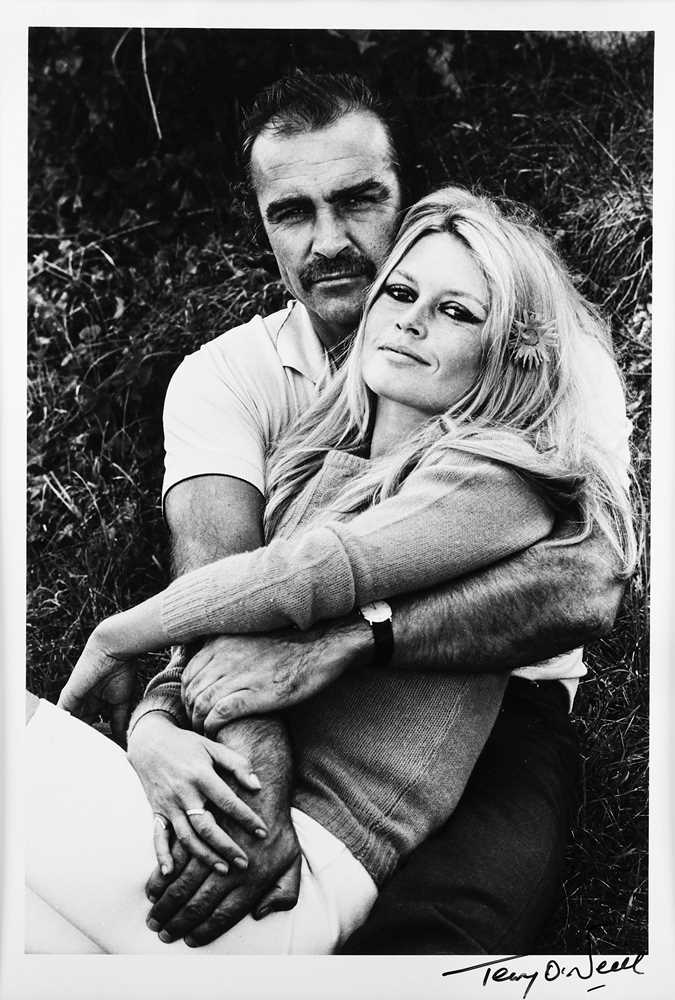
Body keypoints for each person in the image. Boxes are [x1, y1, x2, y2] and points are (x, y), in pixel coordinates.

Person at [43, 72, 630, 954]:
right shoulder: (241, 386)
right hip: (263, 685)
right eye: (292, 212)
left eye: (358, 200)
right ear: (261, 225)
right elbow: (225, 593)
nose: (329, 241)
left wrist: (349, 639)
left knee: (447, 931)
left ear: (409, 196)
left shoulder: (541, 361)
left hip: (502, 688)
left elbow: (584, 582)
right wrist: (176, 735)